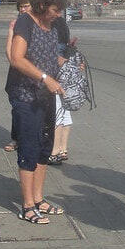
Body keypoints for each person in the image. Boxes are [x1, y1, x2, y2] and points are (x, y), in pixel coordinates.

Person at [6, 0, 67, 224]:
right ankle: (27, 205)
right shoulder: (25, 21)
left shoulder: (54, 24)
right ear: (42, 5)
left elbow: (52, 55)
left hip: (47, 96)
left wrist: (68, 60)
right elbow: (16, 58)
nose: (58, 14)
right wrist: (44, 77)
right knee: (29, 148)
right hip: (26, 96)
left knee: (44, 148)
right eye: (55, 9)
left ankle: (39, 199)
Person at [4, 0, 34, 151]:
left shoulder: (37, 24)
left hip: (32, 72)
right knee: (17, 107)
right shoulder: (15, 25)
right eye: (21, 7)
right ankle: (16, 139)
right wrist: (10, 31)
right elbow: (9, 52)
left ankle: (29, 137)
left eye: (26, 6)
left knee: (32, 108)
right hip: (16, 73)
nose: (23, 9)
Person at [48, 16, 75, 165]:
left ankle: (54, 152)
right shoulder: (62, 22)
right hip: (66, 75)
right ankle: (63, 148)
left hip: (57, 76)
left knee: (58, 110)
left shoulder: (52, 24)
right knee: (65, 111)